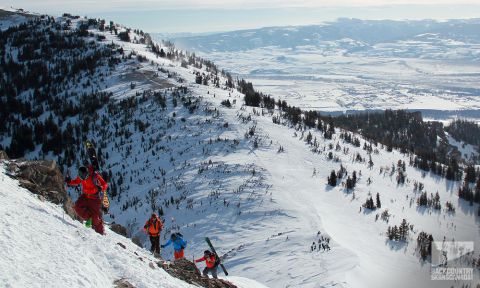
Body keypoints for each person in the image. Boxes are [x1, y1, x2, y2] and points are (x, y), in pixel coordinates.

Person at [66, 165, 108, 235]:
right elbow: (77, 181)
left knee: (96, 218)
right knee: (77, 207)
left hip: (95, 198)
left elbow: (105, 184)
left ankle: (101, 233)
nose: (83, 178)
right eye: (81, 177)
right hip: (85, 196)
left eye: (85, 176)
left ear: (88, 173)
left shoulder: (94, 176)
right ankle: (90, 219)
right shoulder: (81, 177)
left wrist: (100, 187)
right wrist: (69, 181)